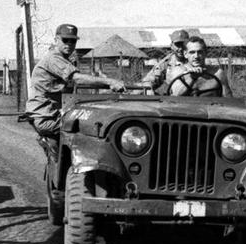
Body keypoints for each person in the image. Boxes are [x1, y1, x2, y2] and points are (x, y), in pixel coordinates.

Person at [26, 23, 126, 160]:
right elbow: (76, 78)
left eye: (72, 41)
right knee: (92, 128)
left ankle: (57, 150)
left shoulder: (62, 59)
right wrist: (110, 82)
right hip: (47, 118)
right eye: (65, 40)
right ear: (56, 40)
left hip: (50, 115)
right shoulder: (54, 58)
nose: (69, 44)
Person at [167, 36, 233, 97]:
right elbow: (176, 96)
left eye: (200, 52)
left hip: (210, 108)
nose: (196, 56)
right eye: (192, 52)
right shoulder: (178, 71)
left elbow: (228, 100)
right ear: (185, 54)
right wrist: (192, 78)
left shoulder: (218, 73)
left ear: (205, 53)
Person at [139, 29, 193, 93]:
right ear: (171, 46)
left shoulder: (197, 59)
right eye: (177, 45)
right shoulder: (166, 64)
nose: (181, 48)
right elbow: (148, 81)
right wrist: (149, 89)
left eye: (183, 44)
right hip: (176, 99)